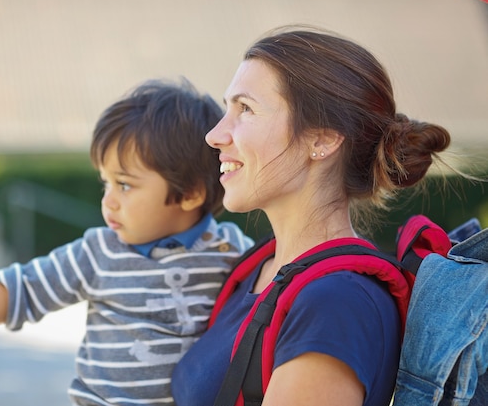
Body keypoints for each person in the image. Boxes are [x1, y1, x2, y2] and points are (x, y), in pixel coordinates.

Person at [0, 78, 254, 406]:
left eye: (125, 185)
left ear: (190, 193)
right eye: (105, 183)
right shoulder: (99, 253)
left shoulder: (230, 253)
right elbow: (23, 288)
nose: (109, 200)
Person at [171, 25, 452, 406]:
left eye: (246, 109)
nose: (216, 135)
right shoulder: (258, 269)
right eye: (227, 109)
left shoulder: (337, 303)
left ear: (321, 139)